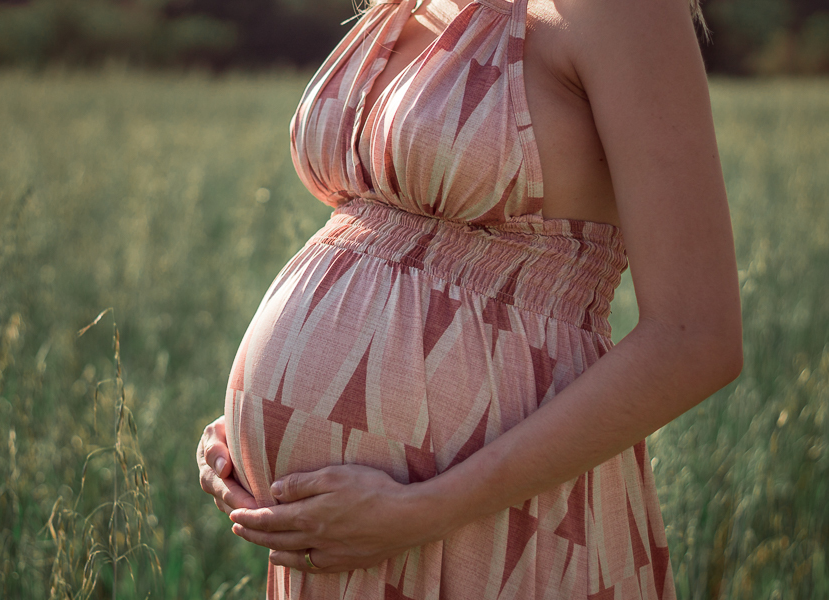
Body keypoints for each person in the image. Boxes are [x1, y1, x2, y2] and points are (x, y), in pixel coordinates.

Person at [197, 0, 743, 594]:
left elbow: (696, 338)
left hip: (487, 517)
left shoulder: (623, 12)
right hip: (337, 537)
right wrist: (256, 430)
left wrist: (426, 510)